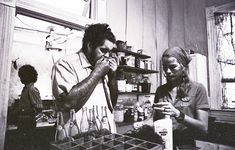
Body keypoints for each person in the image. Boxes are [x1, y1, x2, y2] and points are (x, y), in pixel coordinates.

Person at [51, 23, 118, 134]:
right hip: (77, 138)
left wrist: (112, 76)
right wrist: (97, 73)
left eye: (109, 52)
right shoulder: (65, 64)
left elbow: (113, 103)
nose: (107, 56)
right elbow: (67, 104)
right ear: (90, 46)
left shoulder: (102, 66)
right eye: (103, 50)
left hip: (104, 135)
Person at [153, 46, 210, 149]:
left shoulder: (198, 89)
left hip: (185, 144)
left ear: (183, 67)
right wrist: (141, 124)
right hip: (162, 144)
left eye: (172, 67)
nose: (168, 71)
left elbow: (203, 127)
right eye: (165, 67)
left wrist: (178, 114)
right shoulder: (160, 90)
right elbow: (154, 120)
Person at [17, 64, 43, 150]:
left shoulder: (32, 89)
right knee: (23, 144)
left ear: (27, 76)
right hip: (23, 122)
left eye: (21, 76)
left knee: (29, 144)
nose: (20, 79)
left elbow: (39, 107)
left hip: (28, 122)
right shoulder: (25, 88)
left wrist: (23, 111)